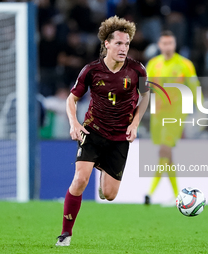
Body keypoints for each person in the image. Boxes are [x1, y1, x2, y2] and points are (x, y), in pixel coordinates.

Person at [56, 16, 150, 246]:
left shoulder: (138, 70)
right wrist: (74, 123)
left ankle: (102, 175)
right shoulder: (91, 70)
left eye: (127, 44)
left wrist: (135, 123)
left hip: (120, 138)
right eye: (118, 43)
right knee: (79, 179)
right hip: (93, 131)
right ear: (106, 43)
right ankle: (65, 234)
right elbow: (72, 98)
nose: (123, 48)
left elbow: (146, 97)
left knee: (109, 195)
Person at [144, 31, 200, 206]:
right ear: (159, 45)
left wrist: (201, 109)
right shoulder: (153, 64)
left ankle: (150, 193)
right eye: (164, 43)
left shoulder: (185, 64)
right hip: (157, 115)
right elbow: (143, 89)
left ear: (174, 45)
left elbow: (194, 86)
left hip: (175, 115)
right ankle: (178, 195)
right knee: (166, 155)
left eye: (170, 43)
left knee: (164, 151)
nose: (167, 47)